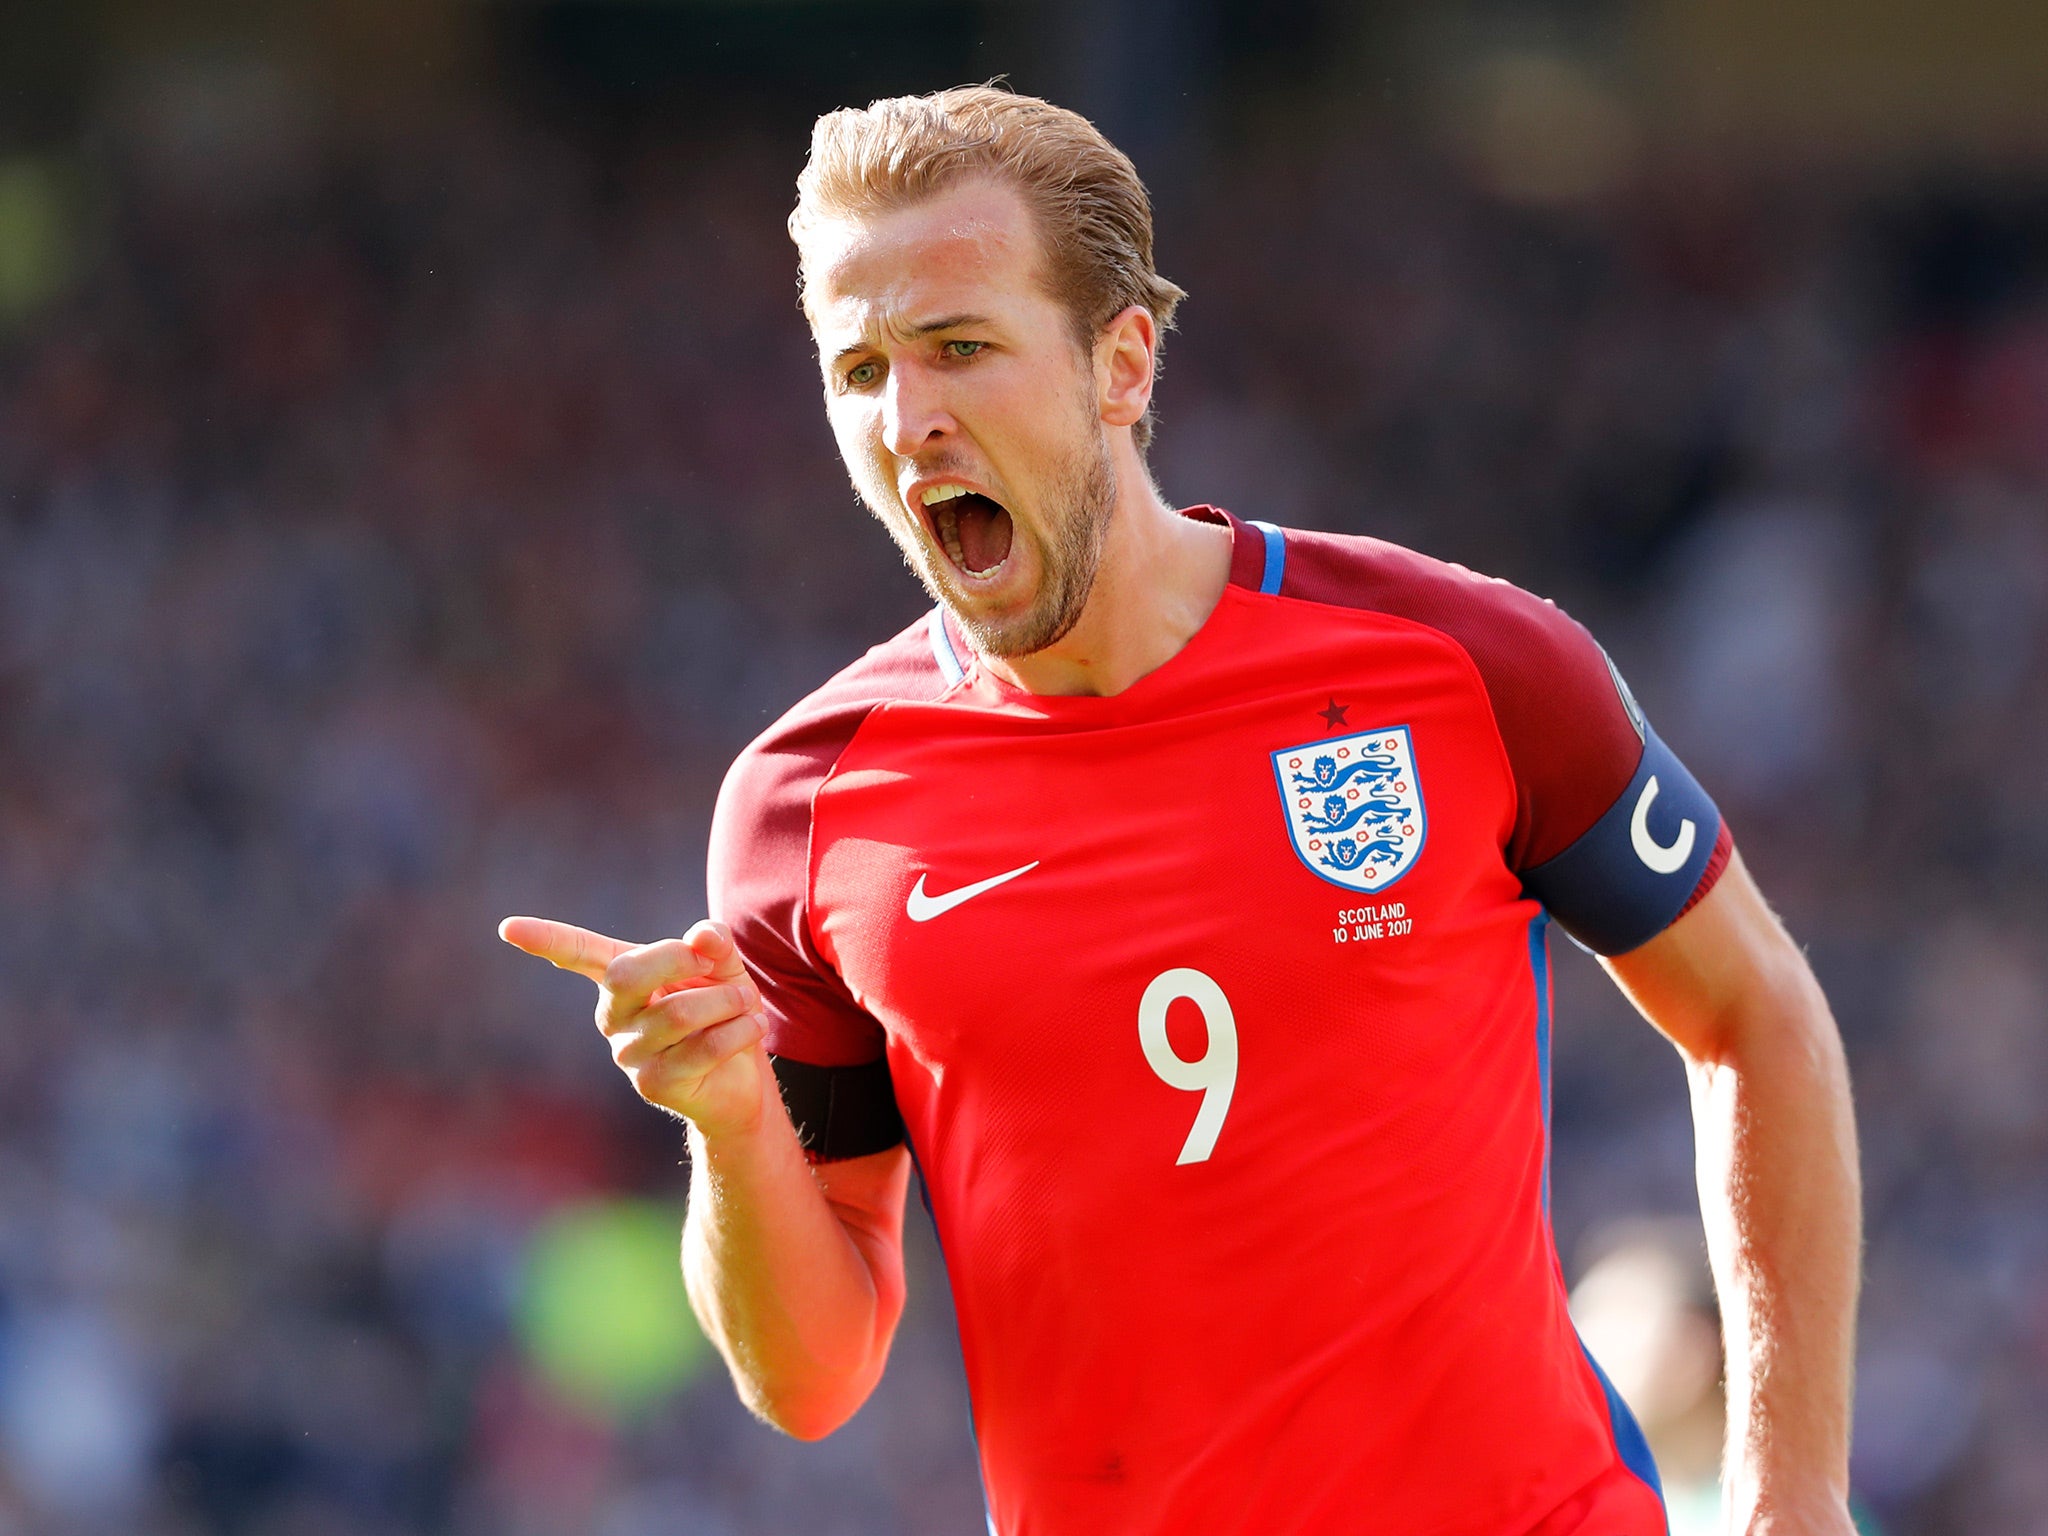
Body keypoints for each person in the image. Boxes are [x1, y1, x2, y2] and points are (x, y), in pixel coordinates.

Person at [500, 86, 1861, 1536]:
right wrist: (727, 1127)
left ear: (1124, 365)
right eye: (858, 368)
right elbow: (814, 1377)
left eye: (961, 346)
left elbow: (1756, 1014)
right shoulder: (802, 807)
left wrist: (1791, 1502)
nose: (910, 419)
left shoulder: (1467, 665)